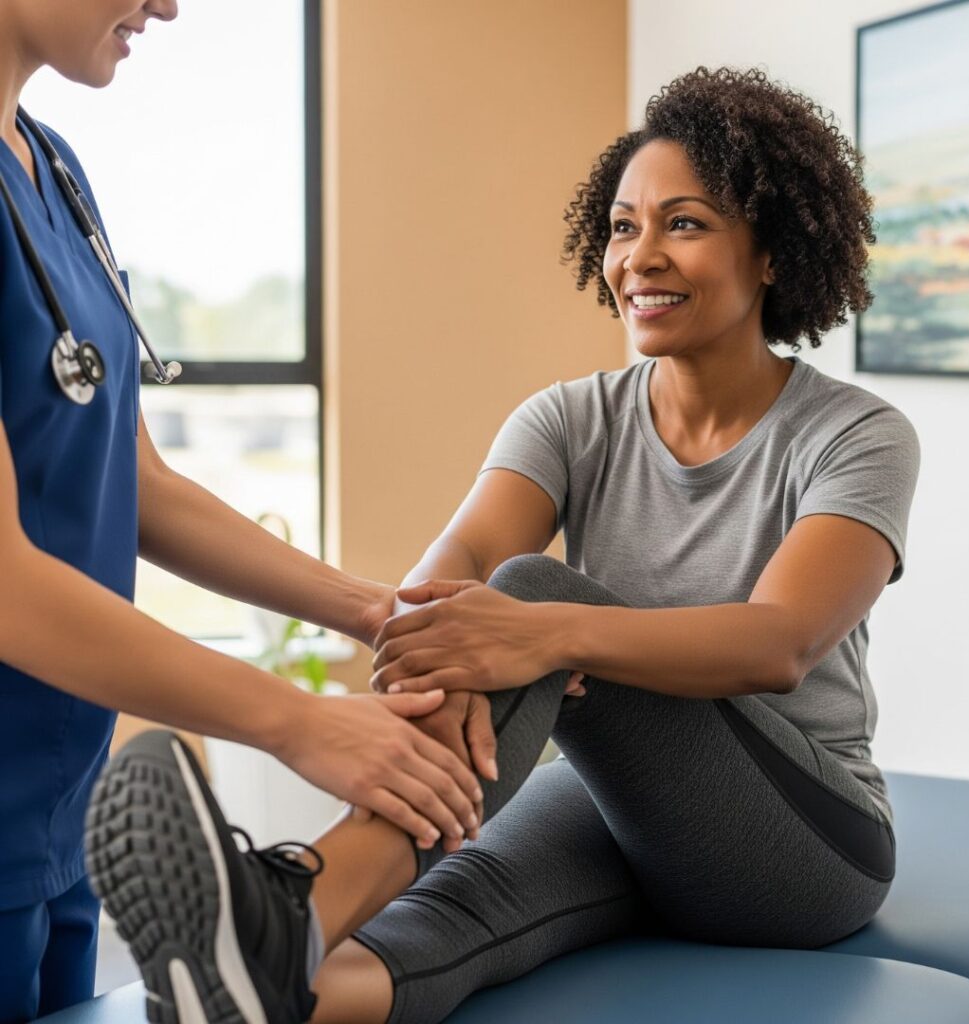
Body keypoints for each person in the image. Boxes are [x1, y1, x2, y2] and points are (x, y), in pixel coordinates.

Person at [87, 65, 921, 1024]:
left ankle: (295, 903)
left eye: (684, 224)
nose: (640, 257)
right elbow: (450, 582)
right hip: (624, 803)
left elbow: (779, 643)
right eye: (622, 227)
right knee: (453, 904)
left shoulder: (856, 434)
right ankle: (255, 995)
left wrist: (546, 635)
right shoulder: (570, 418)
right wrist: (457, 644)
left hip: (804, 849)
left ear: (772, 253)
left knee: (529, 593)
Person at [0, 4, 488, 1021]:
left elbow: (135, 481)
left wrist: (382, 612)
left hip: (54, 813)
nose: (169, 4)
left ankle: (277, 924)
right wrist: (298, 722)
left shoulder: (53, 168)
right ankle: (283, 919)